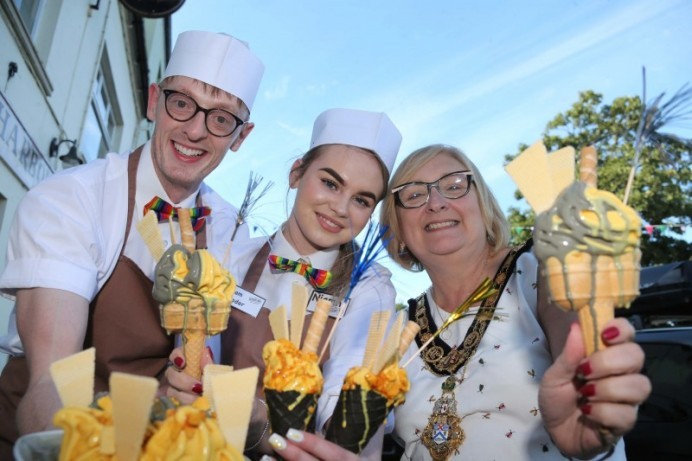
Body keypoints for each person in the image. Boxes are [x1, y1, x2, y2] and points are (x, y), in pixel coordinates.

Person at [265, 144, 651, 461]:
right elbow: (362, 443)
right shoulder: (396, 331)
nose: (435, 203)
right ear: (397, 230)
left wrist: (591, 429)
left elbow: (581, 353)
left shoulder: (541, 273)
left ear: (482, 203)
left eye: (453, 185)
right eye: (414, 194)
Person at [0, 30, 265, 457]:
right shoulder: (70, 200)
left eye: (221, 118)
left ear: (240, 136)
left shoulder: (230, 232)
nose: (196, 130)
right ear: (153, 100)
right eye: (182, 102)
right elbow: (50, 378)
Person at [165, 107, 402, 458]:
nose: (339, 207)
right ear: (296, 174)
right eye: (330, 183)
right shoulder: (232, 256)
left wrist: (256, 415)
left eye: (361, 200)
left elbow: (344, 418)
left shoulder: (370, 288)